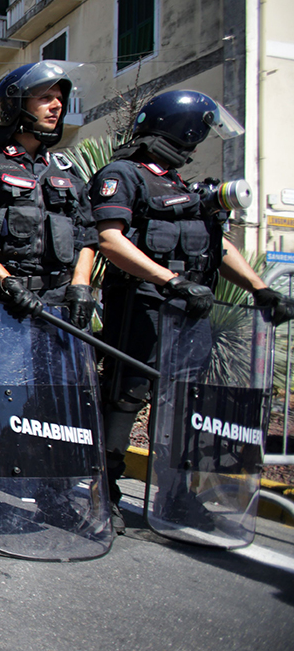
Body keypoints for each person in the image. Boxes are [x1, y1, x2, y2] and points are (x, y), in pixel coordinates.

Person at [87, 89, 294, 534]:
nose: (196, 144)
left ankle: (179, 496)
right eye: (196, 134)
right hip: (142, 308)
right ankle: (105, 495)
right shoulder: (125, 174)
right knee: (126, 397)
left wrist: (260, 289)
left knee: (186, 405)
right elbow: (109, 238)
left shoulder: (183, 187)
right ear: (181, 128)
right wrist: (169, 280)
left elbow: (219, 249)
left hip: (192, 313)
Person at [0, 60, 96, 543]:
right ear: (16, 105)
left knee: (55, 405)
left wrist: (80, 284)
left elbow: (90, 234)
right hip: (1, 301)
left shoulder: (65, 170)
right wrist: (3, 277)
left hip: (56, 303)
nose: (55, 106)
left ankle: (55, 498)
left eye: (59, 97)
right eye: (43, 97)